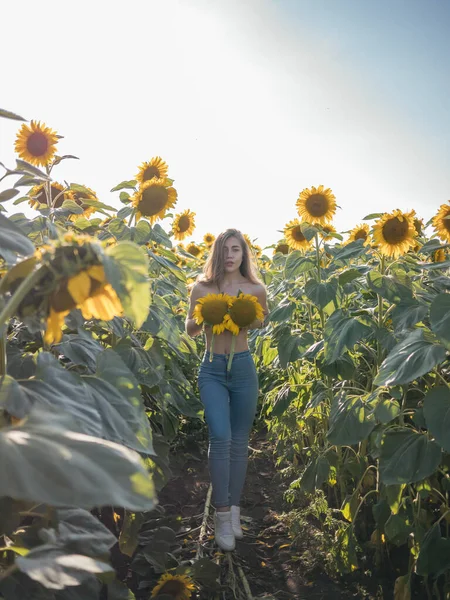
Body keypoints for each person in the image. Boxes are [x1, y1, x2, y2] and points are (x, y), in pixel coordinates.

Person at [185, 229, 269, 552]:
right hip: (212, 369)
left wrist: (242, 315)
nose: (230, 255)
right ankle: (221, 514)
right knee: (220, 437)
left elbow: (261, 321)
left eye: (236, 250)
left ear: (244, 255)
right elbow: (190, 329)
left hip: (244, 369)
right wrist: (206, 315)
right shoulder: (202, 287)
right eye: (225, 250)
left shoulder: (255, 289)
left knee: (239, 441)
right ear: (217, 254)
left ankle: (234, 510)